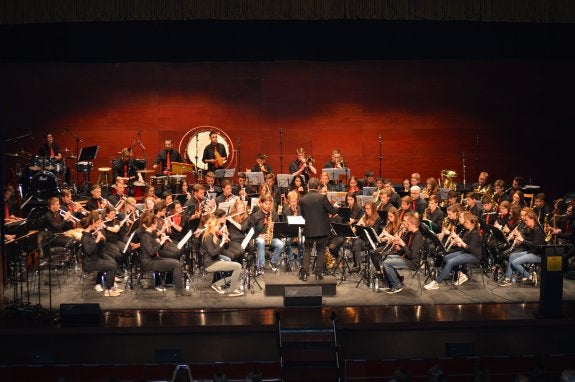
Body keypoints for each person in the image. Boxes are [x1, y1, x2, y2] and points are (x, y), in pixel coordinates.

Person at [424, 212, 483, 289]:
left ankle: (436, 283)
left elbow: (471, 249)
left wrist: (461, 242)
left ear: (473, 224)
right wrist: (458, 243)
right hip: (466, 252)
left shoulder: (475, 234)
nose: (465, 224)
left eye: (467, 223)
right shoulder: (468, 231)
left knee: (450, 262)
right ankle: (460, 274)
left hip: (474, 255)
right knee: (446, 258)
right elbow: (465, 244)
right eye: (465, 222)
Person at [298, 177, 338, 281]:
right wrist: (334, 205)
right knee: (321, 251)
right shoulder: (322, 198)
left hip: (308, 230)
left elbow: (302, 216)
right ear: (318, 187)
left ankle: (305, 274)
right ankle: (318, 274)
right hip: (322, 231)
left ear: (308, 187)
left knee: (307, 251)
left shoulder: (302, 200)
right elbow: (332, 211)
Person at [139, 213, 188, 296]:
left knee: (176, 262)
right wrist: (161, 242)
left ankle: (179, 290)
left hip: (153, 259)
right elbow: (151, 252)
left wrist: (161, 240)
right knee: (176, 264)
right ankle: (179, 291)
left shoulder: (150, 234)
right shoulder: (145, 237)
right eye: (155, 223)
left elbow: (156, 248)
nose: (157, 224)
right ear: (152, 225)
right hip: (148, 263)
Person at [79, 211, 122, 297]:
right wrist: (97, 239)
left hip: (95, 259)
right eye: (96, 223)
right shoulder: (85, 237)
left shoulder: (89, 234)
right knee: (112, 267)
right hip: (90, 263)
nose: (98, 224)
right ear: (92, 224)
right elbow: (89, 251)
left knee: (113, 263)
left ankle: (111, 287)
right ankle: (108, 290)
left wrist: (101, 240)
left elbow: (96, 248)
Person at [499, 208, 545, 286]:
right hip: (532, 252)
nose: (525, 222)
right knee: (512, 255)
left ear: (532, 219)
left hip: (538, 254)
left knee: (515, 263)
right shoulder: (532, 228)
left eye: (526, 220)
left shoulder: (537, 230)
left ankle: (529, 277)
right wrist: (521, 238)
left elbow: (534, 246)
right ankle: (508, 279)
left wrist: (522, 240)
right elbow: (530, 240)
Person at [200, 213, 244, 296]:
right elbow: (213, 253)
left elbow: (223, 248)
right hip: (210, 263)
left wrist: (225, 238)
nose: (219, 227)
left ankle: (217, 284)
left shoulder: (213, 235)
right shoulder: (207, 237)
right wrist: (222, 243)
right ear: (213, 226)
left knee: (239, 270)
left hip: (215, 260)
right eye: (217, 225)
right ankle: (231, 290)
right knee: (238, 266)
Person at [381, 212, 424, 294]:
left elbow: (411, 255)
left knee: (387, 263)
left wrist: (402, 244)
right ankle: (391, 283)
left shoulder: (418, 237)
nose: (406, 226)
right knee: (388, 257)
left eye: (408, 224)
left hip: (412, 262)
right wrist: (400, 248)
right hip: (407, 257)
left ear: (413, 225)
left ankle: (396, 286)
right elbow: (407, 249)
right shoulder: (411, 234)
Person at [248, 194, 285, 274]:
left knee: (281, 244)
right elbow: (250, 231)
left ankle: (273, 262)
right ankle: (261, 266)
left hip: (270, 238)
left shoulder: (274, 215)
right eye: (266, 204)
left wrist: (274, 227)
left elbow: (279, 231)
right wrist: (259, 235)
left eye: (269, 204)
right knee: (261, 241)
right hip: (258, 238)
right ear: (261, 203)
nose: (268, 206)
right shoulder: (255, 216)